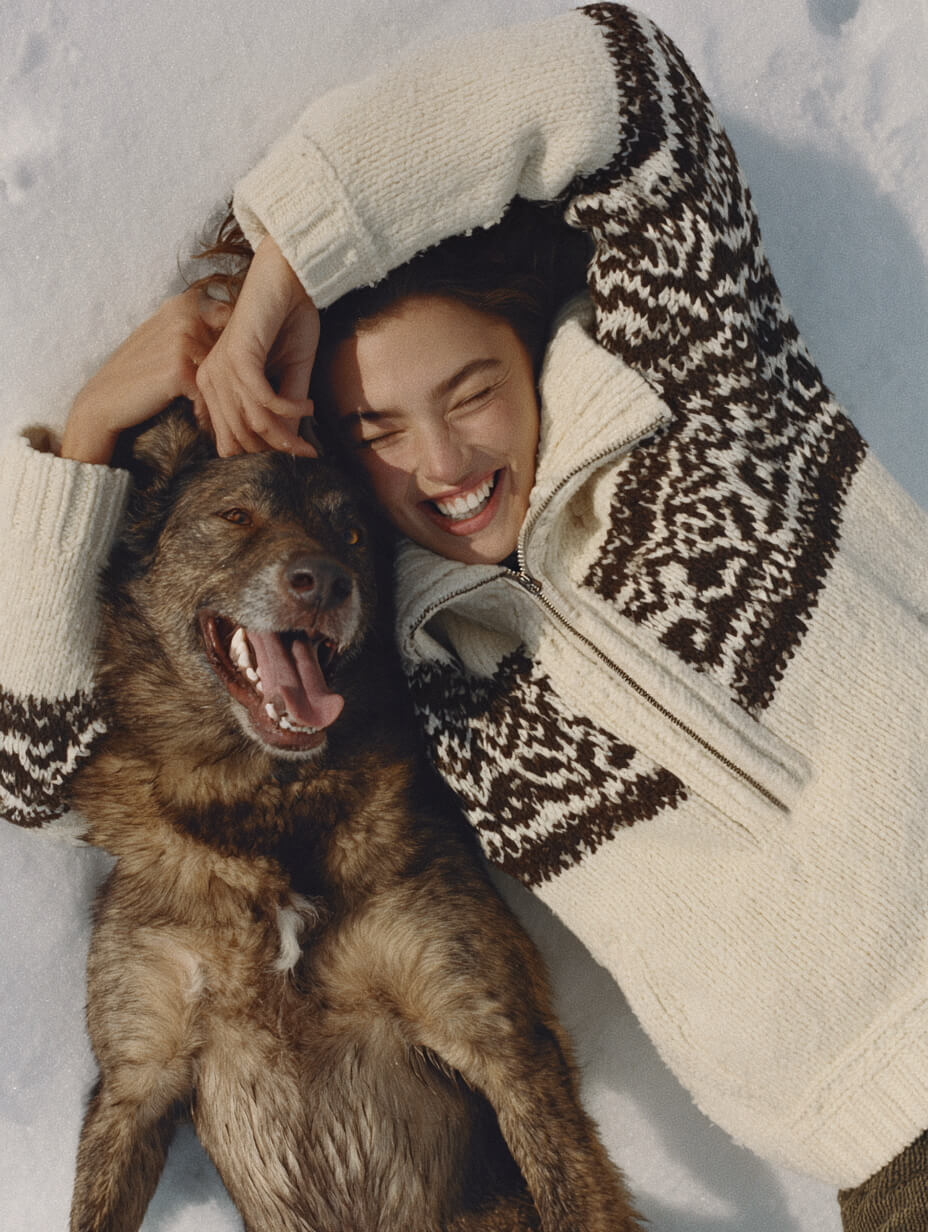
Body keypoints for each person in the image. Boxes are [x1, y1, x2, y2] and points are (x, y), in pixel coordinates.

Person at [1, 4, 926, 1227]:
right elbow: (34, 766)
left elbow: (621, 90)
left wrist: (289, 266)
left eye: (471, 390)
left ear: (524, 343)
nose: (439, 460)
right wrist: (88, 435)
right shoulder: (423, 676)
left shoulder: (703, 396)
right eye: (377, 432)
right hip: (884, 1157)